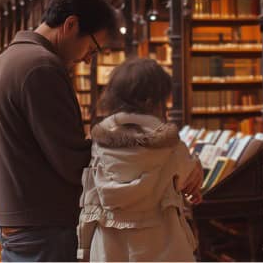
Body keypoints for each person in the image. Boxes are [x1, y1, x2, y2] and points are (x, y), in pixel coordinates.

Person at [0, 0, 119, 262]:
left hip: (18, 222)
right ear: (70, 25)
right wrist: (130, 150)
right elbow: (72, 160)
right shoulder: (41, 67)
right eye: (92, 47)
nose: (88, 58)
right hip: (45, 226)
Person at [77, 58, 204, 262]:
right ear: (153, 100)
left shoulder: (99, 143)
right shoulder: (170, 144)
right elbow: (188, 181)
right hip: (163, 244)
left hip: (110, 248)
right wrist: (196, 166)